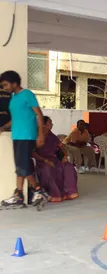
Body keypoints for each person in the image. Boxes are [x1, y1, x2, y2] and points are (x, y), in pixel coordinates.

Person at [0, 70, 46, 208]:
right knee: (21, 166)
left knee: (23, 166)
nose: (4, 88)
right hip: (17, 135)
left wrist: (41, 134)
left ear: (14, 83)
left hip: (27, 135)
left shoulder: (27, 94)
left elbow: (39, 115)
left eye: (6, 84)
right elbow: (15, 119)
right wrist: (3, 127)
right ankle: (19, 195)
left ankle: (38, 190)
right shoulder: (13, 97)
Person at [32, 117, 78, 202]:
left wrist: (65, 156)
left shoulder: (52, 136)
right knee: (48, 169)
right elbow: (32, 152)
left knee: (68, 167)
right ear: (43, 125)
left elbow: (61, 146)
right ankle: (53, 195)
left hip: (55, 159)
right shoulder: (36, 135)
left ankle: (68, 193)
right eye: (50, 123)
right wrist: (45, 160)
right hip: (42, 161)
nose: (52, 124)